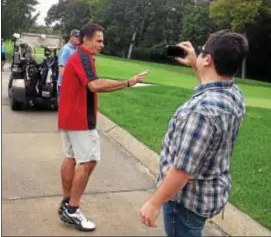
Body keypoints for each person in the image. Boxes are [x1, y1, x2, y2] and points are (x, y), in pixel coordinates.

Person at [139, 30, 249, 237]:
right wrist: (194, 63)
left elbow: (182, 170)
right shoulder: (234, 94)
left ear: (207, 59)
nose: (197, 54)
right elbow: (211, 84)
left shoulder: (200, 112)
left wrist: (154, 203)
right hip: (210, 192)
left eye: (201, 52)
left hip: (185, 202)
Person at [57, 23, 149, 232]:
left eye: (102, 40)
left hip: (68, 117)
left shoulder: (81, 57)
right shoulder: (82, 57)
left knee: (71, 157)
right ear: (86, 39)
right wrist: (128, 82)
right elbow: (94, 85)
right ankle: (72, 210)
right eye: (98, 40)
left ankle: (66, 202)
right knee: (88, 163)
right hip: (80, 119)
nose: (102, 44)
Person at [57, 29, 80, 103]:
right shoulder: (66, 49)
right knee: (64, 106)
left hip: (72, 84)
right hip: (65, 84)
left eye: (79, 36)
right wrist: (67, 82)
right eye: (76, 36)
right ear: (71, 37)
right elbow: (61, 67)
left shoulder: (76, 49)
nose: (78, 38)